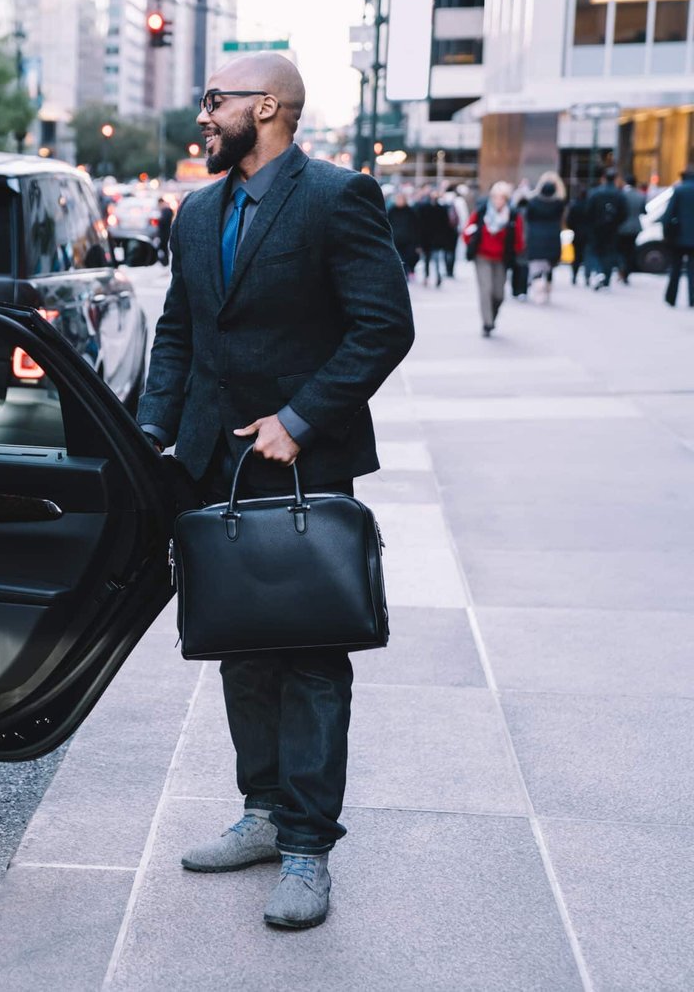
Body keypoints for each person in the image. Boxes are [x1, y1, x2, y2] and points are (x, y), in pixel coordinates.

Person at [137, 52, 414, 931]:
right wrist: (152, 433)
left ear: (267, 106)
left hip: (303, 466)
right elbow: (179, 331)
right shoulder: (198, 209)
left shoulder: (337, 197)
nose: (203, 113)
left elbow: (384, 326)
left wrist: (300, 418)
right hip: (210, 467)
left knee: (312, 660)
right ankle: (261, 813)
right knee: (241, 650)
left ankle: (306, 847)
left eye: (215, 99)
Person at [465, 181, 525, 336]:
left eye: (501, 198)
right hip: (482, 256)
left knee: (499, 294)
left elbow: (518, 239)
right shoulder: (482, 211)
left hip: (501, 259)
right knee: (486, 289)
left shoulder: (513, 216)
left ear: (506, 199)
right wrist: (470, 242)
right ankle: (487, 323)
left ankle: (492, 316)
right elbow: (467, 230)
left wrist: (517, 252)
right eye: (495, 197)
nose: (498, 201)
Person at [524, 173, 567, 305]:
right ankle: (546, 287)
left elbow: (528, 217)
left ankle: (538, 286)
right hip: (552, 237)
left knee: (536, 265)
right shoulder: (558, 204)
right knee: (549, 265)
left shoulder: (533, 202)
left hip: (535, 237)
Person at [583, 168, 626, 289]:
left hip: (596, 228)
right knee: (609, 253)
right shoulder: (619, 194)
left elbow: (588, 211)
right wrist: (616, 223)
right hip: (612, 229)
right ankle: (605, 278)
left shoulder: (595, 193)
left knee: (594, 251)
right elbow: (624, 213)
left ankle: (598, 271)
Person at [665, 167, 694, 307]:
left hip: (678, 237)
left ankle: (671, 297)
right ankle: (692, 298)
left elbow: (668, 215)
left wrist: (666, 234)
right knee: (692, 270)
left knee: (675, 268)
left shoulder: (679, 190)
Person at [617, 178, 648, 286]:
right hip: (635, 227)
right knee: (630, 250)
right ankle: (627, 273)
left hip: (622, 227)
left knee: (620, 250)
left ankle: (621, 269)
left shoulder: (621, 194)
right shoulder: (640, 195)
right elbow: (644, 211)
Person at [386, 188, 421, 279]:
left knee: (408, 258)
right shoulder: (391, 211)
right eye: (398, 199)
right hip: (395, 240)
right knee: (399, 259)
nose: (399, 201)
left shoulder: (410, 211)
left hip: (408, 240)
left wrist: (417, 243)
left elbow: (415, 227)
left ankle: (408, 273)